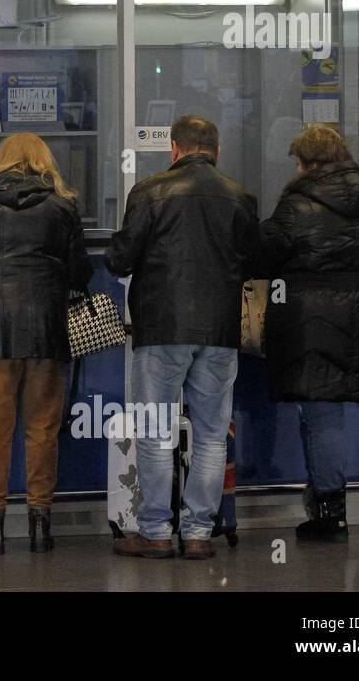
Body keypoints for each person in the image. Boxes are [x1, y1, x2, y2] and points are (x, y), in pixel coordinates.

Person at [105, 115, 259, 561]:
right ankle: (197, 534)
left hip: (161, 329)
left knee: (155, 432)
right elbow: (256, 259)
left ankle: (154, 532)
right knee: (212, 434)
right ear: (217, 149)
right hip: (219, 330)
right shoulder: (240, 197)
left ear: (174, 149)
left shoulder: (150, 191)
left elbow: (120, 258)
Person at [0, 133, 90, 554]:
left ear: (1, 160)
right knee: (42, 429)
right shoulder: (63, 203)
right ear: (44, 160)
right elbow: (80, 272)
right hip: (47, 331)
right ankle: (41, 526)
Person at [260, 126, 359, 541]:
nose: (293, 169)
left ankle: (330, 512)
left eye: (297, 161)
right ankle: (328, 507)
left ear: (310, 163)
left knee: (321, 415)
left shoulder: (298, 204)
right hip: (354, 316)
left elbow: (265, 252)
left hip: (309, 320)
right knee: (327, 413)